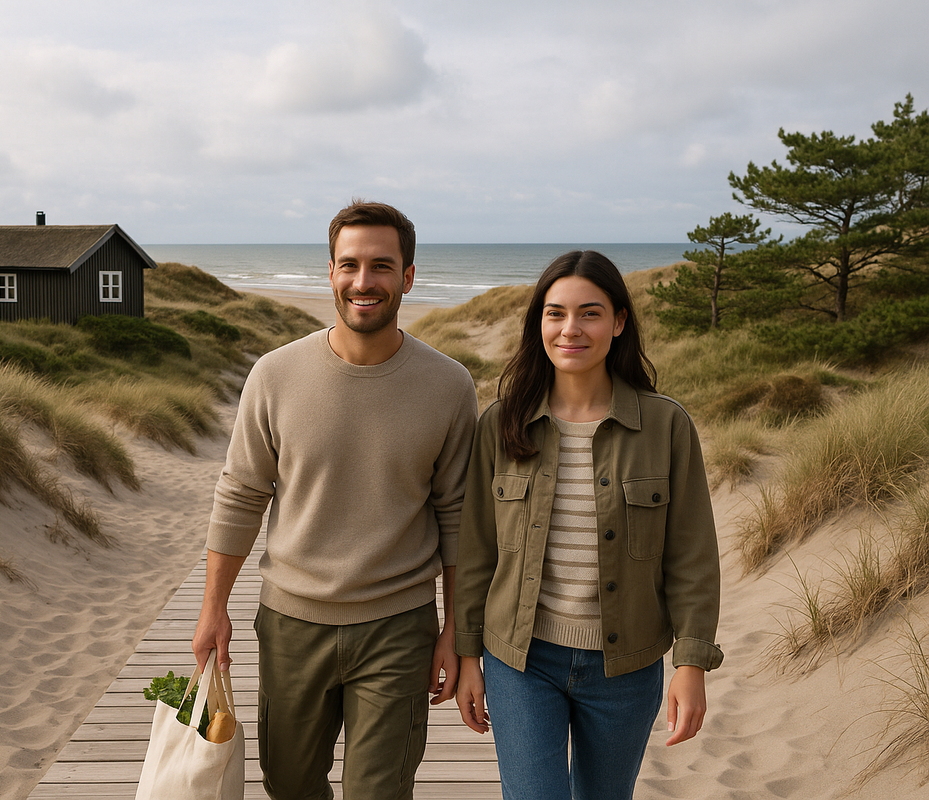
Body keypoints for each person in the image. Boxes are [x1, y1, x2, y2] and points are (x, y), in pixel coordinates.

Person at [192, 200, 478, 799]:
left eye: (381, 265)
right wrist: (213, 607)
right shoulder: (274, 375)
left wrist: (456, 629)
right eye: (349, 265)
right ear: (330, 273)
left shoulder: (449, 386)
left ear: (408, 276)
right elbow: (242, 493)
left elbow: (457, 516)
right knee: (290, 785)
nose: (363, 281)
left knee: (380, 791)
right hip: (292, 621)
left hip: (398, 626)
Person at [453, 250, 723, 800]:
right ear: (539, 324)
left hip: (626, 666)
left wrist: (690, 663)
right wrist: (467, 656)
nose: (570, 329)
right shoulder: (500, 425)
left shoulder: (666, 426)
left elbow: (692, 556)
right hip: (521, 660)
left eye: (589, 313)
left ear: (619, 322)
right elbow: (477, 549)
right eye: (555, 314)